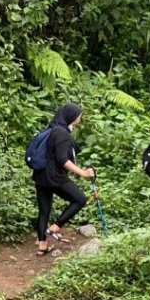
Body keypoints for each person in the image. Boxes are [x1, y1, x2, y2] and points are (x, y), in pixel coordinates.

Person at [32, 103, 94, 258]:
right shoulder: (61, 133)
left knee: (44, 211)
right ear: (71, 116)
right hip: (54, 177)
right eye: (79, 116)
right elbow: (62, 159)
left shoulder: (52, 128)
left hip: (41, 175)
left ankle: (42, 246)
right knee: (80, 199)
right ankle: (54, 227)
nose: (80, 119)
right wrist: (83, 173)